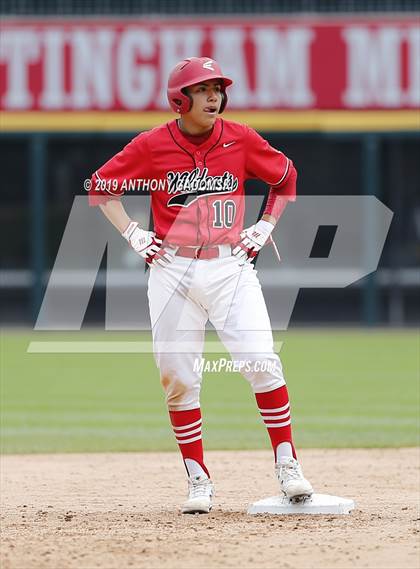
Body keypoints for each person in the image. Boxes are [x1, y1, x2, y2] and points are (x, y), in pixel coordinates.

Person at [89, 57, 313, 514]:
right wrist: (132, 232)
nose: (214, 96)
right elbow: (100, 187)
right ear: (180, 99)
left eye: (217, 88)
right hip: (172, 269)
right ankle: (198, 478)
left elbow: (286, 178)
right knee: (178, 377)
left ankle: (288, 464)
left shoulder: (241, 138)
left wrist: (266, 224)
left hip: (231, 267)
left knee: (261, 362)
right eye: (202, 88)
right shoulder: (153, 145)